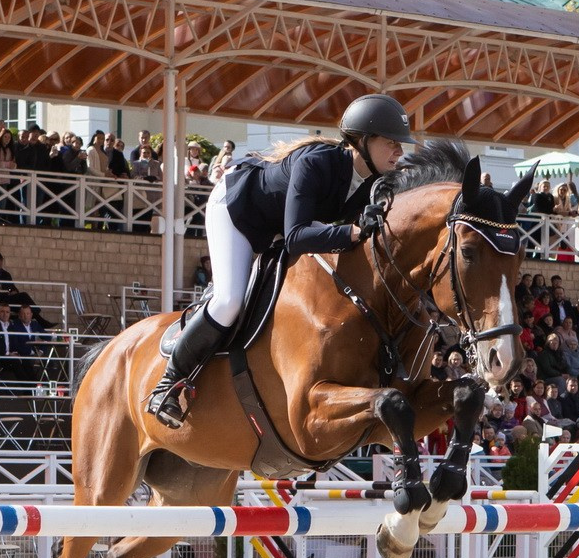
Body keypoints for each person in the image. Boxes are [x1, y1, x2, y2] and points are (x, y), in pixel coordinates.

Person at [146, 94, 415, 427]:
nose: (399, 151)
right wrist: (353, 232)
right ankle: (167, 384)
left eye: (400, 144)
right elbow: (297, 236)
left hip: (277, 228)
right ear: (363, 141)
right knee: (230, 301)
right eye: (392, 142)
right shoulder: (317, 161)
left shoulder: (373, 182)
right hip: (237, 211)